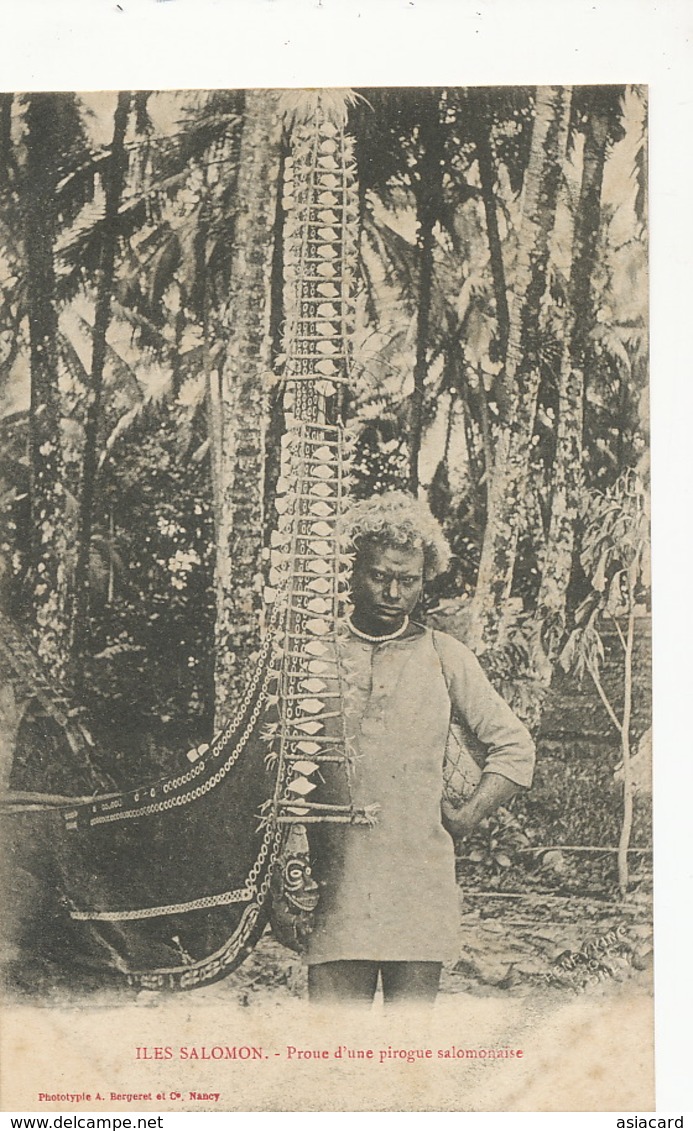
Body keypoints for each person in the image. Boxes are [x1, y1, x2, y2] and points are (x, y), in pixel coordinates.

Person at [304, 491, 536, 1007]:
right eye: (378, 576)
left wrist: (469, 814)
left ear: (424, 579)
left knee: (409, 1052)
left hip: (419, 882)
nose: (392, 592)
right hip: (335, 883)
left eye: (407, 581)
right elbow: (267, 768)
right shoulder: (311, 659)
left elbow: (515, 748)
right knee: (331, 1050)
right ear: (351, 571)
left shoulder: (445, 657)